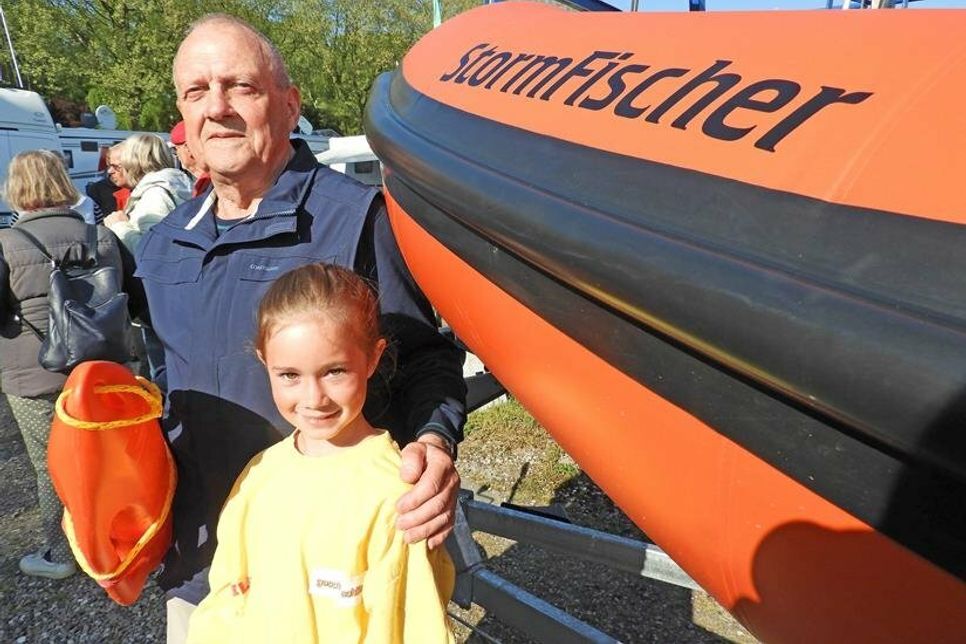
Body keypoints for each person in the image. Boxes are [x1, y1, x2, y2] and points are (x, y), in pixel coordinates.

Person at [135, 14, 466, 639]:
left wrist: (435, 443)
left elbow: (427, 357)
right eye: (197, 91)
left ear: (289, 105)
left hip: (333, 573)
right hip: (206, 566)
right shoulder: (163, 243)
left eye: (242, 87)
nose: (218, 108)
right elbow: (162, 384)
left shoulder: (357, 220)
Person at [187, 263, 455, 643]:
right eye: (289, 375)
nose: (314, 399)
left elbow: (412, 629)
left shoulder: (398, 496)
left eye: (335, 371)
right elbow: (226, 597)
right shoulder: (258, 476)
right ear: (265, 362)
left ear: (373, 358)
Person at [0, 150, 126, 579]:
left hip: (32, 373)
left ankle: (61, 553)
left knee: (50, 464)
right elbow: (136, 298)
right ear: (63, 182)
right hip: (99, 370)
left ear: (16, 188)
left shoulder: (6, 244)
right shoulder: (102, 236)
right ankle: (114, 536)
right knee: (102, 455)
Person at [104, 133, 193, 253]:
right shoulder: (172, 183)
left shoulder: (155, 195)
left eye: (119, 164)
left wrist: (119, 226)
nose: (111, 170)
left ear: (133, 162)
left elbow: (154, 253)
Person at [170, 120, 211, 197]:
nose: (177, 155)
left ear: (188, 148)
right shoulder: (206, 183)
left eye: (175, 149)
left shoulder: (208, 184)